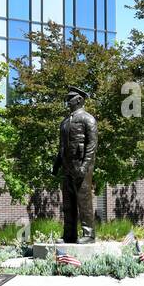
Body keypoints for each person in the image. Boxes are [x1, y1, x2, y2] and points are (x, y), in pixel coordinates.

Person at [52, 85, 98, 243]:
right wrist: (56, 165)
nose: (67, 102)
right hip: (67, 168)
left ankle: (89, 235)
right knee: (68, 203)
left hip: (81, 168)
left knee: (83, 201)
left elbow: (92, 146)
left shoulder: (88, 119)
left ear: (79, 100)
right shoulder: (64, 123)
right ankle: (69, 235)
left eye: (70, 99)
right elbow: (62, 147)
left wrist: (85, 166)